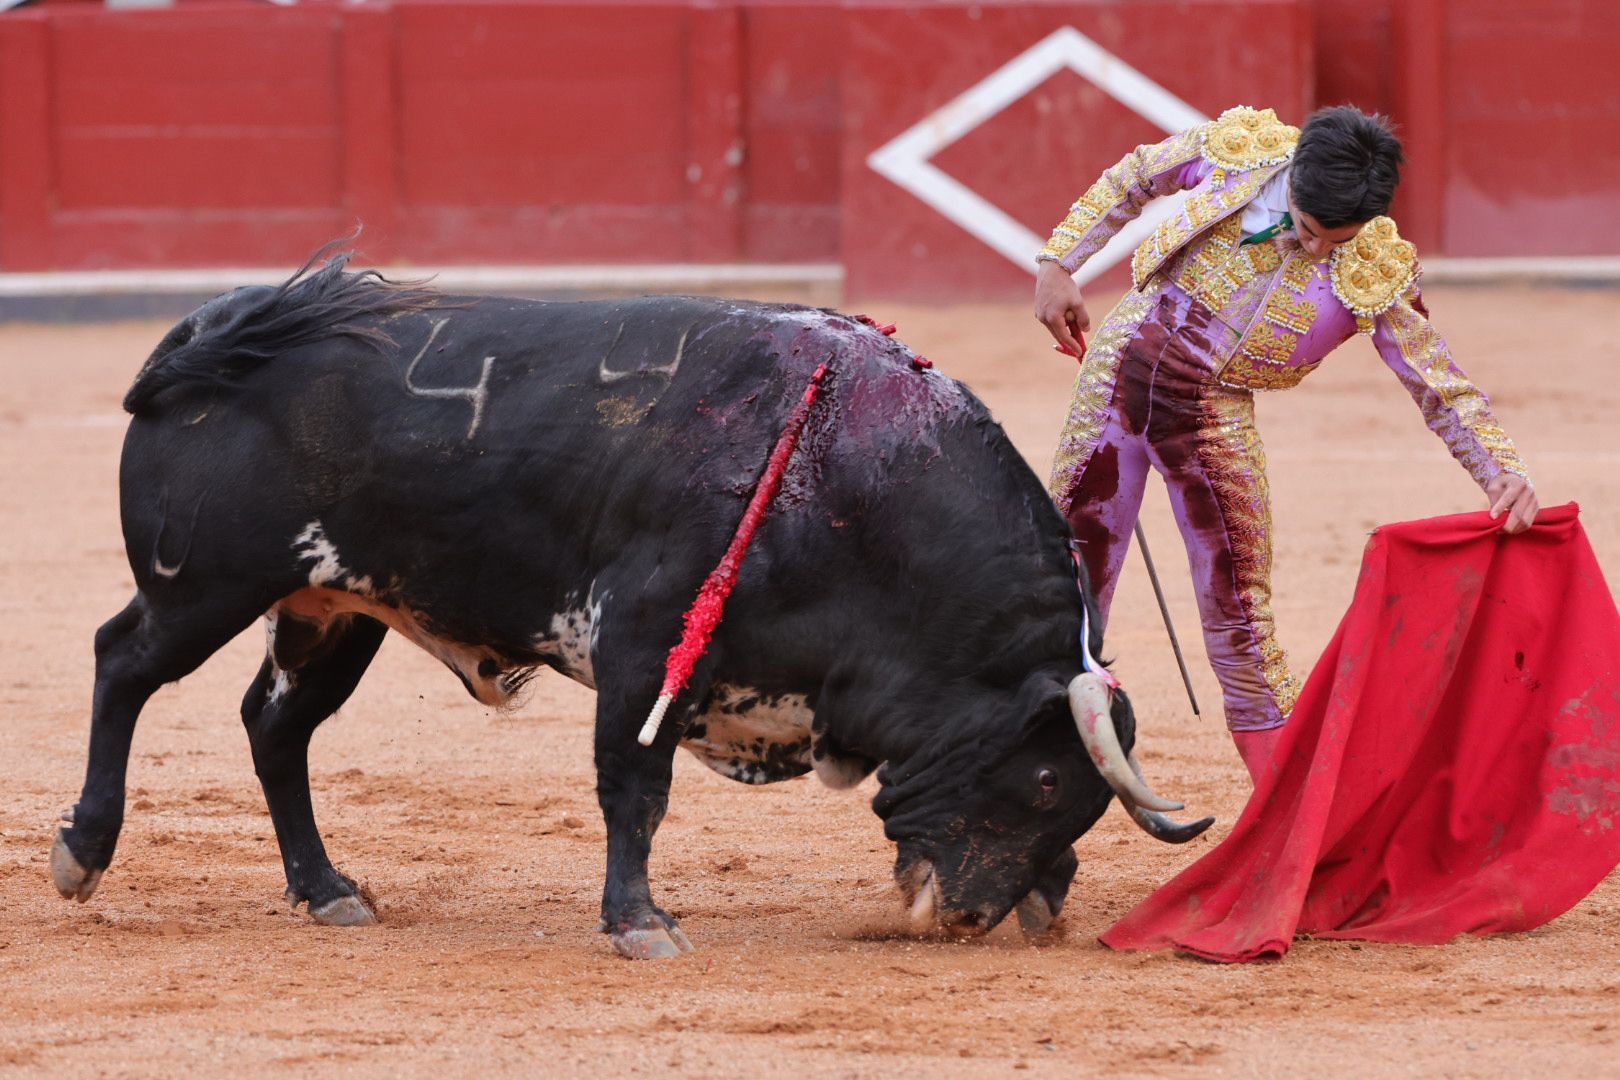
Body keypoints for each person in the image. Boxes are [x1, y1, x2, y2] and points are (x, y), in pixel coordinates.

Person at [1033, 105, 1539, 780]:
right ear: (1295, 179)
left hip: (1210, 412)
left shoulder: (1377, 267)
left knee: (1240, 610)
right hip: (1116, 374)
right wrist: (1058, 262)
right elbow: (1135, 177)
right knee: (1063, 579)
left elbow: (1438, 383)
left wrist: (1499, 468)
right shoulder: (1239, 151)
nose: (1317, 251)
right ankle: (1005, 774)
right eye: (1307, 230)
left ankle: (1289, 809)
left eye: (1339, 241)